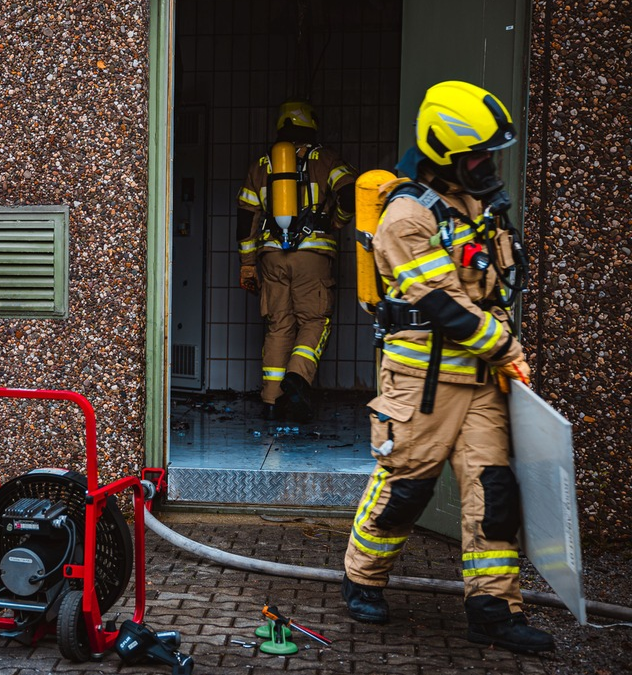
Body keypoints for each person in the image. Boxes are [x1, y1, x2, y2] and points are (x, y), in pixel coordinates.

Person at [340, 80, 554, 654]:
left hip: (480, 381)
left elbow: (495, 290)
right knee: (405, 490)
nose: (488, 166)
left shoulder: (477, 207)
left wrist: (502, 351)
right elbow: (444, 305)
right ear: (445, 153)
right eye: (478, 156)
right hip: (421, 385)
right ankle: (362, 578)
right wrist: (509, 351)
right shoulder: (406, 217)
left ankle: (494, 609)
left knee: (495, 496)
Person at [237, 100, 357, 422]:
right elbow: (350, 194)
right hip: (312, 256)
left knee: (279, 324)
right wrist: (336, 221)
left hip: (271, 257)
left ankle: (271, 401)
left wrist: (247, 263)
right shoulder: (326, 159)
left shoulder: (261, 165)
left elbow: (246, 218)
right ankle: (297, 377)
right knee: (315, 320)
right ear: (311, 124)